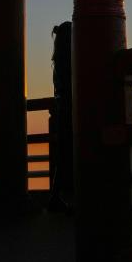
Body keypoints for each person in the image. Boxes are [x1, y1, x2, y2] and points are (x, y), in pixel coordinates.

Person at [48, 22, 74, 213]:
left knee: (64, 155)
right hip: (72, 111)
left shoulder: (58, 62)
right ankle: (60, 197)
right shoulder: (72, 61)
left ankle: (56, 197)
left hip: (62, 111)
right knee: (69, 154)